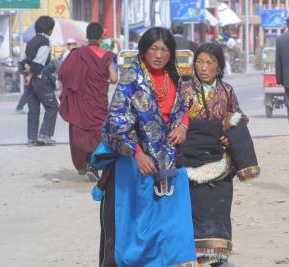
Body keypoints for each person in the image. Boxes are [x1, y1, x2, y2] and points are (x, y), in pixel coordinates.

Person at [89, 27, 198, 267]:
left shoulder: (175, 78)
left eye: (164, 50)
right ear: (143, 51)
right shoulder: (130, 79)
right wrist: (138, 154)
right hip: (135, 166)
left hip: (171, 164)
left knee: (173, 228)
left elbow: (183, 108)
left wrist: (183, 127)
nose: (159, 55)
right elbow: (116, 123)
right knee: (137, 230)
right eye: (153, 49)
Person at [182, 42, 260, 267]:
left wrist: (230, 136)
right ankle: (192, 258)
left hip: (220, 162)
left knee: (218, 209)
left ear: (219, 67)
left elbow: (240, 119)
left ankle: (218, 257)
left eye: (209, 63)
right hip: (192, 160)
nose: (203, 68)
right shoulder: (184, 90)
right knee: (192, 210)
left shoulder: (227, 91)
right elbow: (176, 122)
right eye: (199, 62)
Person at [58, 22, 117, 181]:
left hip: (81, 100)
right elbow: (114, 79)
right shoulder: (107, 55)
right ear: (101, 37)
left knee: (80, 131)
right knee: (97, 132)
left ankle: (84, 163)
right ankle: (93, 163)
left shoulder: (77, 53)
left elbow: (62, 73)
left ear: (87, 36)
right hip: (98, 101)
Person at [20, 16, 58, 146]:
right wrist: (31, 74)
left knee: (33, 109)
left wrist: (28, 74)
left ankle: (32, 139)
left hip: (30, 82)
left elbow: (22, 60)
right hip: (41, 79)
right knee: (52, 106)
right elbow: (38, 65)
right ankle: (44, 134)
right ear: (49, 29)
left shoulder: (30, 41)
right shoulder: (45, 42)